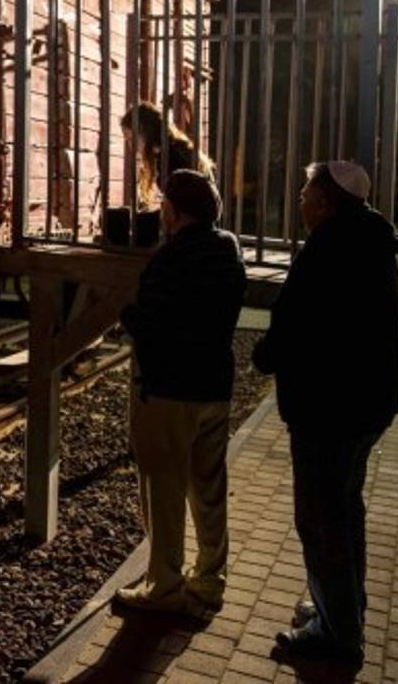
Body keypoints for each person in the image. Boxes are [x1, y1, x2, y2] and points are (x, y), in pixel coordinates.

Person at [252, 161, 398, 666]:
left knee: (320, 521)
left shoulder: (328, 248)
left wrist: (264, 357)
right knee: (345, 511)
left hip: (329, 411)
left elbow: (297, 324)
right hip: (367, 405)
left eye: (304, 190)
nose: (299, 198)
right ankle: (342, 608)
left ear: (325, 198)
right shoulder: (374, 242)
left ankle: (336, 636)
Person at [115, 169, 247, 618]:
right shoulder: (230, 250)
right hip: (214, 387)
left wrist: (127, 313)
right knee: (209, 490)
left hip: (169, 391)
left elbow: (152, 328)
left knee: (163, 490)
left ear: (172, 210)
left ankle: (164, 585)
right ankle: (208, 581)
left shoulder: (167, 262)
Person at [120, 100, 214, 212]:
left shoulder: (170, 158)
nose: (130, 146)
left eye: (130, 139)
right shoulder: (175, 148)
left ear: (144, 132)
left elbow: (181, 211)